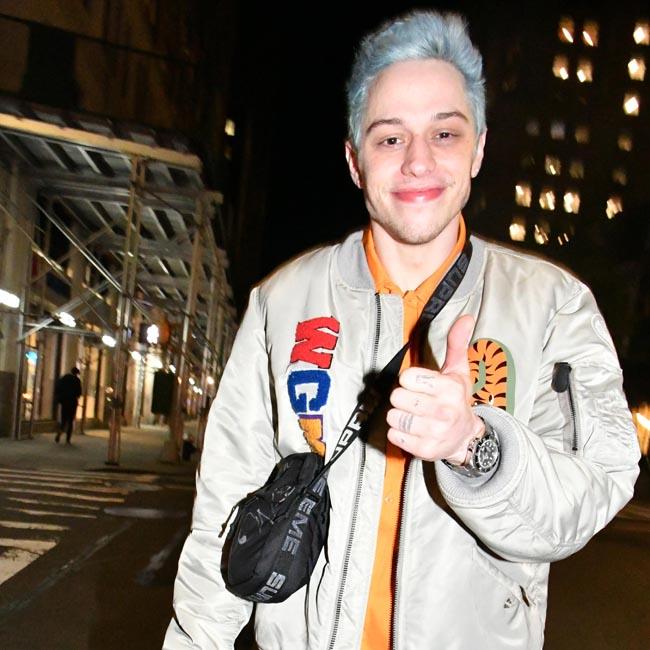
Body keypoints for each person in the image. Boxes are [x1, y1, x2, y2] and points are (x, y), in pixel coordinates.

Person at [164, 10, 640, 649]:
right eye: (390, 138)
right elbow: (226, 506)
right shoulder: (283, 301)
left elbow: (594, 491)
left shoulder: (555, 306)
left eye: (444, 133)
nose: (418, 161)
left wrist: (475, 445)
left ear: (478, 148)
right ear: (354, 160)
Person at [54, 367, 82, 444]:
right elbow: (79, 393)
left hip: (64, 402)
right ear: (77, 373)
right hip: (72, 403)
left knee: (64, 419)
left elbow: (58, 387)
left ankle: (60, 432)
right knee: (70, 421)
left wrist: (60, 397)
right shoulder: (77, 380)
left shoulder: (65, 378)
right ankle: (68, 439)